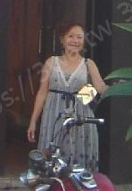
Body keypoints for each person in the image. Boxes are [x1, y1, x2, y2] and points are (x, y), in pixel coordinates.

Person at [27, 21, 107, 171]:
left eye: (79, 37)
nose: (75, 41)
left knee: (77, 163)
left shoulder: (88, 64)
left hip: (80, 117)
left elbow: (101, 87)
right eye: (71, 36)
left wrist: (120, 86)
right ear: (62, 39)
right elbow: (42, 92)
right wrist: (33, 121)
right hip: (54, 116)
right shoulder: (51, 62)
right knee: (52, 159)